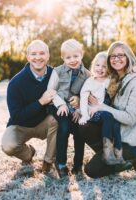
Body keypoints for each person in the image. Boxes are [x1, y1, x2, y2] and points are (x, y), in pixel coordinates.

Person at [78, 41, 136, 178]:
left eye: (120, 55)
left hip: (130, 141)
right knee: (83, 126)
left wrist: (102, 106)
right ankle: (109, 156)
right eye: (112, 56)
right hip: (114, 133)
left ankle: (135, 157)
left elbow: (130, 119)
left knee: (92, 170)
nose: (116, 59)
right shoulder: (115, 77)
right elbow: (95, 87)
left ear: (128, 56)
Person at [1, 40, 58, 174]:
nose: (38, 57)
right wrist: (40, 102)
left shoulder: (55, 75)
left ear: (48, 55)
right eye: (33, 54)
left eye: (42, 53)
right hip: (21, 125)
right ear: (28, 57)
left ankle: (48, 161)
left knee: (58, 119)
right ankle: (29, 153)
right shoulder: (16, 82)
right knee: (8, 146)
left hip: (44, 123)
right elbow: (17, 116)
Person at [47, 39, 91, 178]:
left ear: (81, 55)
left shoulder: (87, 75)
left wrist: (79, 110)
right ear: (63, 58)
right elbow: (51, 91)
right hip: (58, 106)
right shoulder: (57, 71)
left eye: (75, 56)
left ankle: (78, 165)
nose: (72, 60)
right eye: (68, 57)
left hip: (75, 108)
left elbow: (87, 96)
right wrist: (60, 104)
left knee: (80, 131)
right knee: (64, 127)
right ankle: (60, 164)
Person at [78, 52, 126, 165]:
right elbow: (84, 99)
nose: (100, 69)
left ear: (109, 68)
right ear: (93, 66)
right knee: (108, 116)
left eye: (104, 66)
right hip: (92, 112)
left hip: (104, 110)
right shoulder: (90, 81)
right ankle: (107, 153)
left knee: (116, 123)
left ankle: (119, 155)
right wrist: (84, 115)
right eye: (97, 65)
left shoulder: (110, 80)